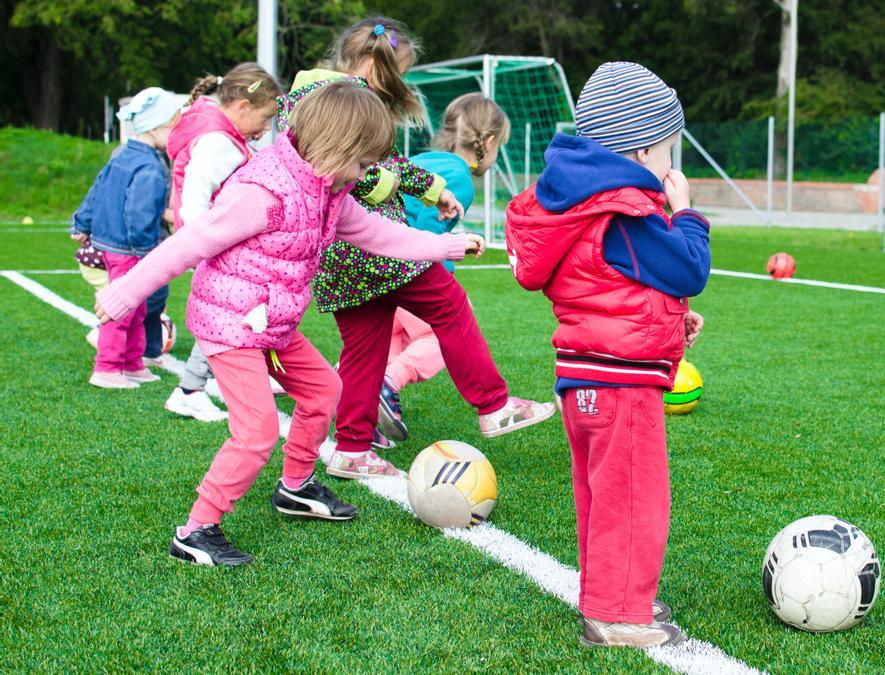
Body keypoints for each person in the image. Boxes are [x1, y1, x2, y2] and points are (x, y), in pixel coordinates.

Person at [93, 82, 484, 567]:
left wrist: (444, 245)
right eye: (363, 164)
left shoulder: (329, 189)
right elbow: (189, 243)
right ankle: (195, 531)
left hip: (272, 325)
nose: (366, 176)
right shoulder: (262, 192)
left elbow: (375, 233)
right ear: (336, 148)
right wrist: (125, 292)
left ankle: (295, 487)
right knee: (256, 431)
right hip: (231, 325)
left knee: (325, 391)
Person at [278, 17, 554, 482]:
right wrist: (391, 189)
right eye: (395, 74)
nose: (397, 85)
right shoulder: (339, 99)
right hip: (373, 247)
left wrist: (432, 190)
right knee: (449, 304)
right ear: (371, 64)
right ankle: (493, 405)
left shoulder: (310, 95)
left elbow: (385, 162)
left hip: (338, 256)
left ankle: (351, 448)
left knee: (366, 347)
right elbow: (352, 171)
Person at [505, 62, 711, 648]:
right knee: (632, 499)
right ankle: (617, 615)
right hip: (620, 386)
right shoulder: (625, 210)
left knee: (603, 497)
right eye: (670, 149)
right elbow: (688, 267)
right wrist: (686, 212)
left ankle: (610, 594)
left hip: (587, 377)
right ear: (644, 148)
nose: (673, 164)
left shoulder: (582, 203)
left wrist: (671, 322)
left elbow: (610, 286)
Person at [376, 93, 511, 442]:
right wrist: (445, 264)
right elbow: (426, 231)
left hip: (373, 265)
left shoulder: (424, 160)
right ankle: (388, 384)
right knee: (439, 335)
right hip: (404, 269)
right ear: (490, 142)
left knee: (387, 340)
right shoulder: (461, 180)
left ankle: (352, 393)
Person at [161, 63, 284, 423]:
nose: (265, 130)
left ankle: (212, 383)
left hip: (218, 243)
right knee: (228, 316)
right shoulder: (218, 143)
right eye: (264, 119)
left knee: (240, 312)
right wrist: (207, 242)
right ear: (243, 108)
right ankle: (190, 389)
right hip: (216, 246)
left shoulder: (222, 134)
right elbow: (195, 199)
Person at [72, 87, 181, 389]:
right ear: (158, 127)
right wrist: (146, 251)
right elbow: (140, 211)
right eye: (175, 125)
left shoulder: (122, 154)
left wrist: (82, 221)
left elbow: (97, 187)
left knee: (138, 306)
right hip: (130, 248)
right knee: (122, 307)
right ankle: (107, 367)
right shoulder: (149, 165)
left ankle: (132, 363)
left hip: (114, 243)